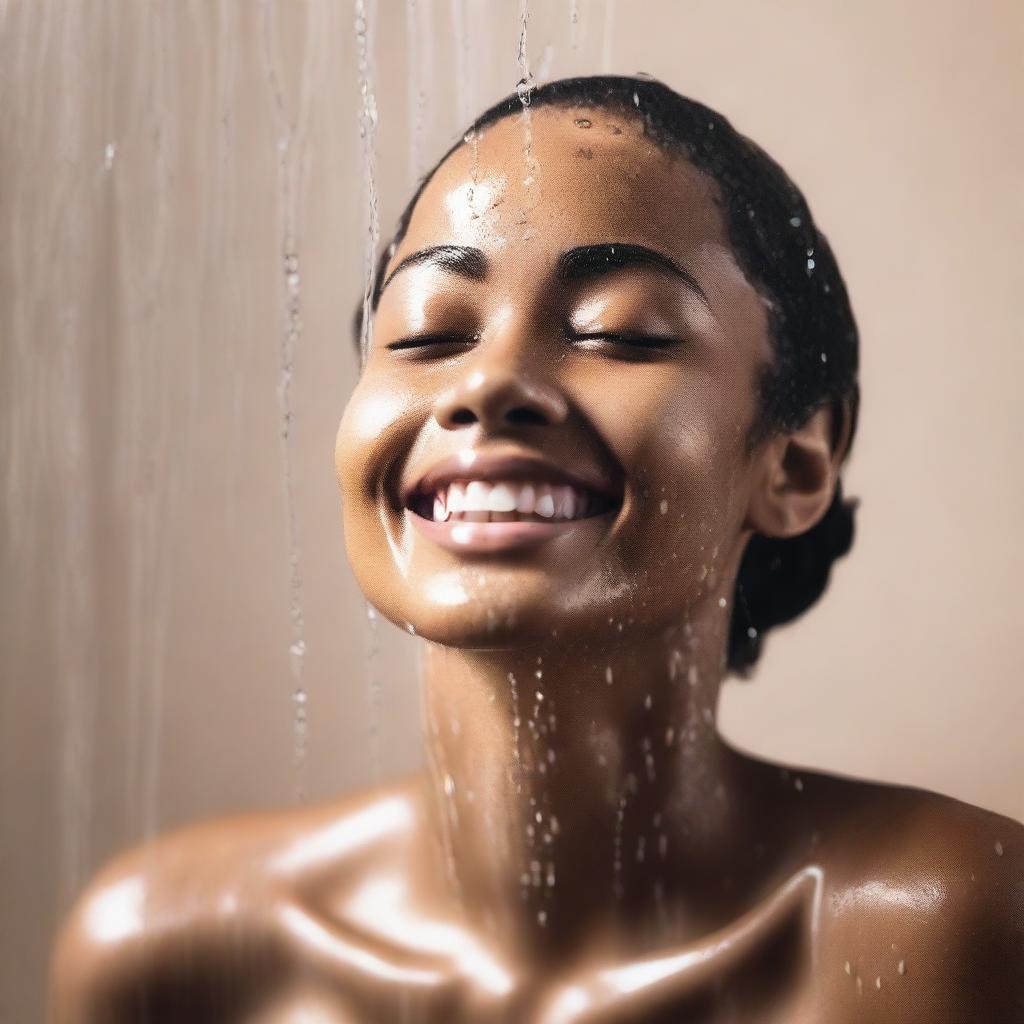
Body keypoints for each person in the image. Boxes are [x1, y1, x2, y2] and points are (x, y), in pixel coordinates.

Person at [49, 75, 1022, 1023]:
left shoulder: (946, 934)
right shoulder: (174, 955)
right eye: (429, 334)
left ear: (796, 461)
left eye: (620, 332)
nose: (491, 382)